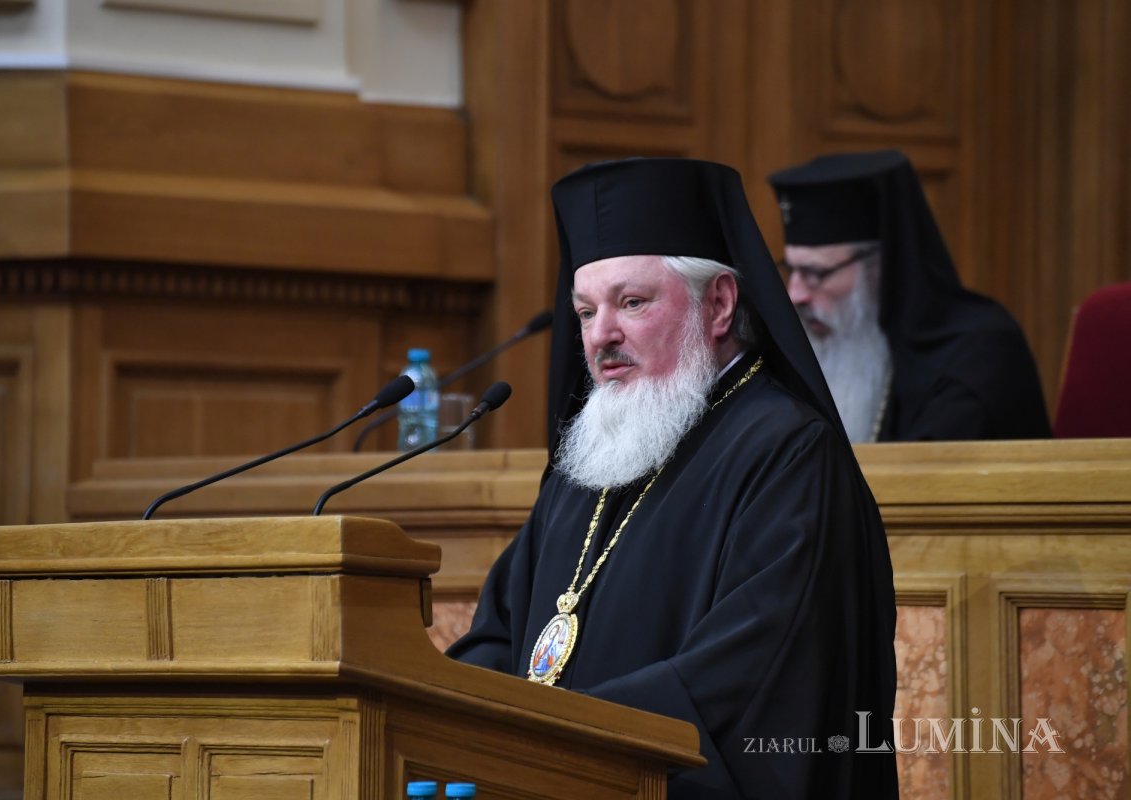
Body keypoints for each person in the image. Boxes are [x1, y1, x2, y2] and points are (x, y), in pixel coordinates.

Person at [446, 157, 899, 798]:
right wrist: (448, 711)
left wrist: (552, 738)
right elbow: (501, 630)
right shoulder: (591, 456)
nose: (601, 336)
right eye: (584, 311)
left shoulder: (788, 453)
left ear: (717, 305)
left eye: (631, 302)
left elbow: (749, 676)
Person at [768, 149, 1051, 442]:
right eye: (792, 270)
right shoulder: (815, 348)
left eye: (817, 273)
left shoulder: (977, 358)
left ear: (882, 265)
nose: (796, 294)